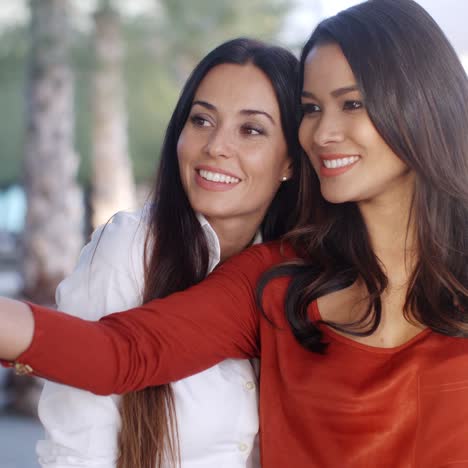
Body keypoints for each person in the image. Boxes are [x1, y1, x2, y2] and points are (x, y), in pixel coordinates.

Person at [1, 0, 467, 466]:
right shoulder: (277, 281)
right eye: (311, 109)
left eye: (352, 104)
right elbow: (119, 353)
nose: (323, 132)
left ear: (421, 105)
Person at [33, 38, 311, 468]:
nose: (216, 145)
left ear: (291, 160)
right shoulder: (130, 248)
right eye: (201, 120)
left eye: (251, 129)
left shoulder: (296, 274)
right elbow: (75, 451)